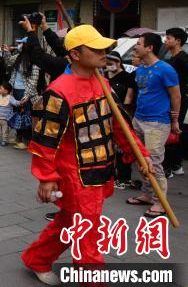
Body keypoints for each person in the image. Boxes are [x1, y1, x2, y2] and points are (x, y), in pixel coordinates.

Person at [21, 25, 152, 286]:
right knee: (87, 232)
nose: (104, 53)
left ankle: (36, 257)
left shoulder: (101, 82)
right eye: (95, 48)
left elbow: (118, 124)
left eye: (104, 47)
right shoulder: (58, 92)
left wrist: (139, 153)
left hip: (101, 167)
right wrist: (46, 176)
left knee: (71, 222)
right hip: (75, 174)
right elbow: (44, 140)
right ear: (76, 54)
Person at [125, 32, 181, 218]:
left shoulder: (165, 69)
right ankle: (148, 195)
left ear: (149, 47)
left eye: (139, 44)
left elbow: (176, 96)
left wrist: (174, 121)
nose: (135, 47)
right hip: (139, 119)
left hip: (157, 123)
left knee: (154, 163)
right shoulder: (140, 69)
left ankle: (160, 202)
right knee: (141, 161)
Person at [105, 50, 135, 189]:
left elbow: (129, 98)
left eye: (112, 62)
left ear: (119, 62)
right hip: (107, 116)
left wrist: (123, 114)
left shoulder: (127, 77)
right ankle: (112, 175)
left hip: (122, 115)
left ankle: (124, 177)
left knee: (123, 147)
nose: (109, 65)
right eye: (108, 63)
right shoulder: (104, 77)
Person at [5, 38, 41, 149]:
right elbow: (9, 61)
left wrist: (27, 95)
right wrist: (6, 52)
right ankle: (18, 136)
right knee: (17, 113)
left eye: (21, 43)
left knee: (26, 115)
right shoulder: (19, 57)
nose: (19, 45)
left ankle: (26, 140)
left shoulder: (34, 60)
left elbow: (33, 80)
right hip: (15, 89)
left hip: (25, 92)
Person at [163, 27, 187, 177]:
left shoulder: (183, 59)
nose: (166, 40)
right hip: (170, 98)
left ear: (178, 41)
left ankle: (172, 166)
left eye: (169, 38)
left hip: (178, 99)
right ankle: (174, 164)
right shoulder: (172, 58)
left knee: (173, 129)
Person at [19, 16, 69, 82]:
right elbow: (59, 48)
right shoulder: (74, 60)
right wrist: (45, 27)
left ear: (75, 53)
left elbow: (39, 56)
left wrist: (30, 31)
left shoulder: (68, 65)